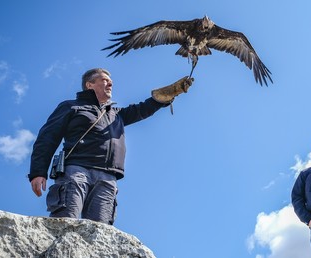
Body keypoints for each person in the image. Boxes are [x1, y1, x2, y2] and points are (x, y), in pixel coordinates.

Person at [28, 68, 193, 225]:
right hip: (76, 171)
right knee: (65, 222)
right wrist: (38, 172)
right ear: (89, 84)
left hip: (107, 178)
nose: (110, 84)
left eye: (111, 81)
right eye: (104, 80)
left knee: (99, 233)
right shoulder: (71, 106)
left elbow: (142, 109)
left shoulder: (116, 114)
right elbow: (47, 138)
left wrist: (164, 97)